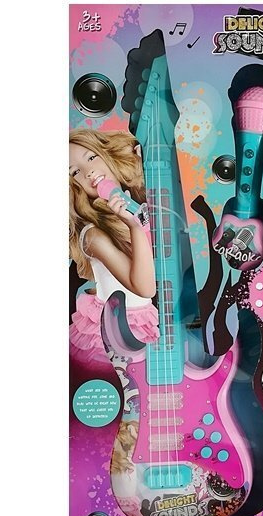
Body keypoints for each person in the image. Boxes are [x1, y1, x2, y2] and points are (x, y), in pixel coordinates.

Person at [68, 128, 159, 369]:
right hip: (108, 334)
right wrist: (134, 226)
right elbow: (145, 288)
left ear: (106, 154)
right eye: (75, 172)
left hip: (142, 321)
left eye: (91, 157)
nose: (88, 172)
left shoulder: (136, 201)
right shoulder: (93, 236)